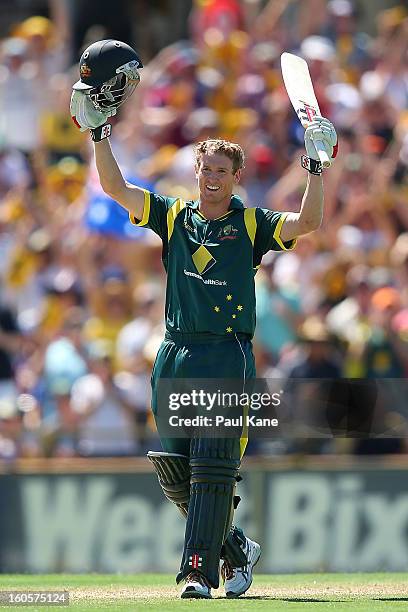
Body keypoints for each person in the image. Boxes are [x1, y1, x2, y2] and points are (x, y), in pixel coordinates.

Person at [70, 39, 338, 599]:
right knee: (174, 467)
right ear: (195, 172)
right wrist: (98, 133)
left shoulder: (252, 224)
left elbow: (309, 222)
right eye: (205, 168)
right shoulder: (172, 215)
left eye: (222, 170)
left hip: (226, 352)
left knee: (213, 467)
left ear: (237, 177)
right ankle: (236, 548)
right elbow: (116, 189)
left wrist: (315, 166)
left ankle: (196, 572)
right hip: (175, 350)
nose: (211, 177)